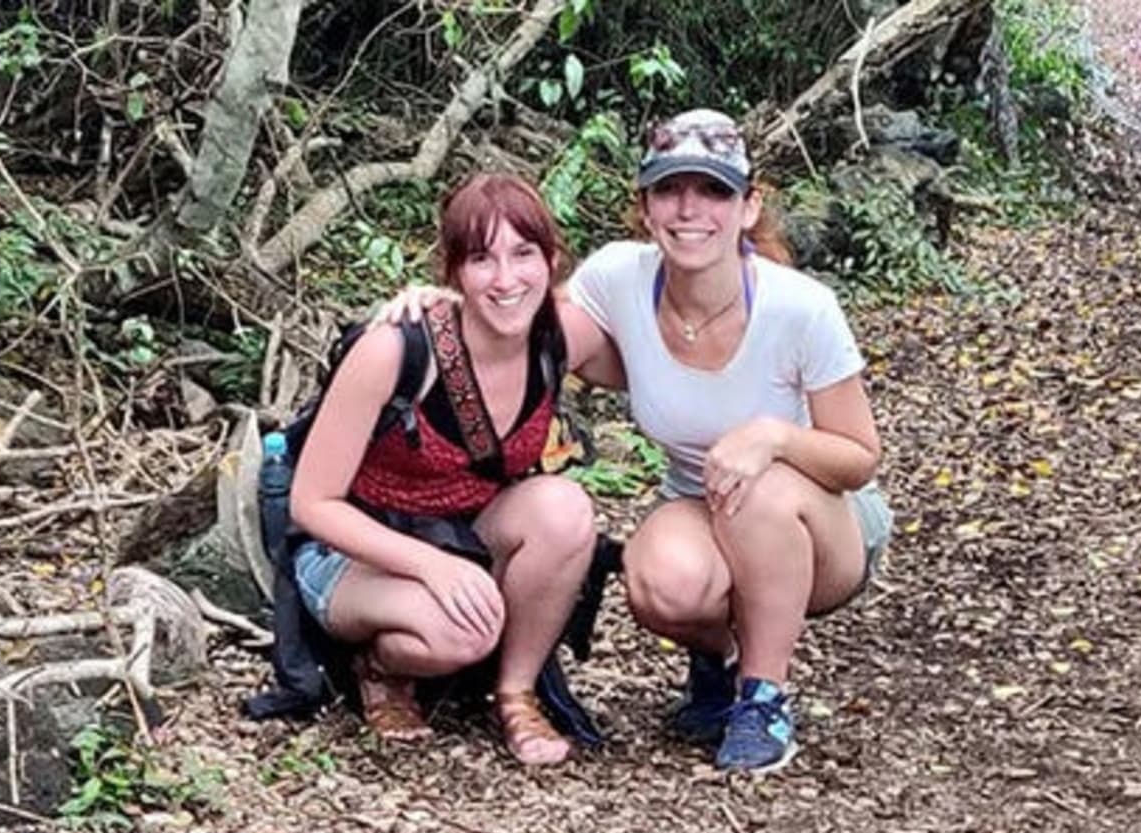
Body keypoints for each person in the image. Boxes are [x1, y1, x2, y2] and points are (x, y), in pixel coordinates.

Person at [386, 110, 890, 774]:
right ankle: (724, 664)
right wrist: (443, 308)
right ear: (645, 206)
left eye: (713, 191)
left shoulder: (799, 307)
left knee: (759, 488)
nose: (690, 209)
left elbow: (858, 457)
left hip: (823, 522)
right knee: (659, 584)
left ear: (748, 206)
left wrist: (772, 436)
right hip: (701, 503)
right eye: (669, 190)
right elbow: (521, 330)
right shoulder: (620, 279)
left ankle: (765, 697)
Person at [288, 173, 601, 761]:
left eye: (523, 254)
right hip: (351, 551)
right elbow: (313, 502)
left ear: (552, 261)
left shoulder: (563, 335)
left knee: (566, 509)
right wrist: (430, 565)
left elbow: (676, 347)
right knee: (463, 629)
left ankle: (516, 694)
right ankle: (378, 667)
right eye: (482, 259)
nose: (506, 280)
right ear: (453, 271)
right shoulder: (395, 349)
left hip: (464, 533)